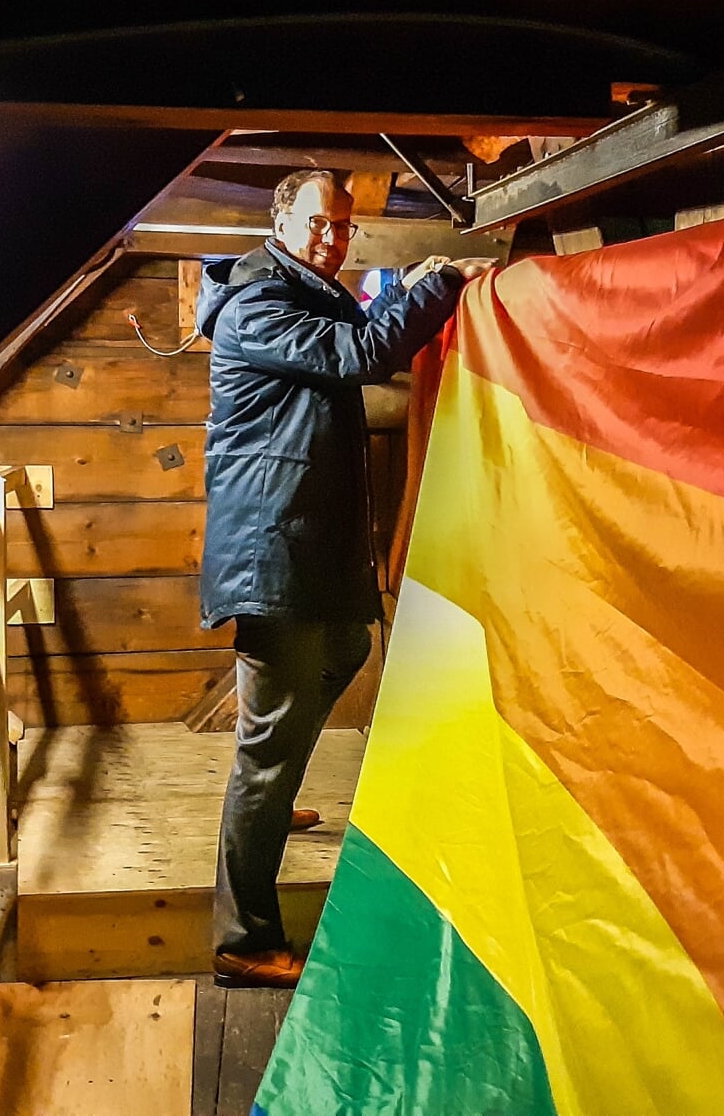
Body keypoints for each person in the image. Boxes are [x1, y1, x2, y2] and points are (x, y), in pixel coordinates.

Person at [194, 168, 492, 989]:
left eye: (342, 227)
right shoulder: (257, 301)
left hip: (297, 543)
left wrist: (411, 293)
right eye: (319, 223)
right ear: (280, 218)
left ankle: (269, 785)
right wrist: (441, 284)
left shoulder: (301, 291)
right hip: (271, 549)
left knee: (348, 650)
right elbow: (360, 352)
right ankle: (242, 943)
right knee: (267, 745)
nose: (332, 239)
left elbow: (356, 330)